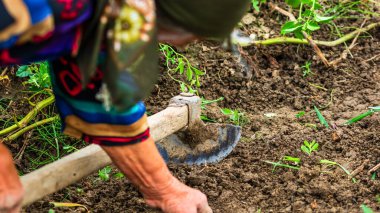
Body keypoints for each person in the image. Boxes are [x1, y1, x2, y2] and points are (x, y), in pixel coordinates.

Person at [0, 0, 249, 212]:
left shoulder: (106, 16)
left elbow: (101, 94)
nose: (185, 45)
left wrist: (164, 189)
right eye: (194, 34)